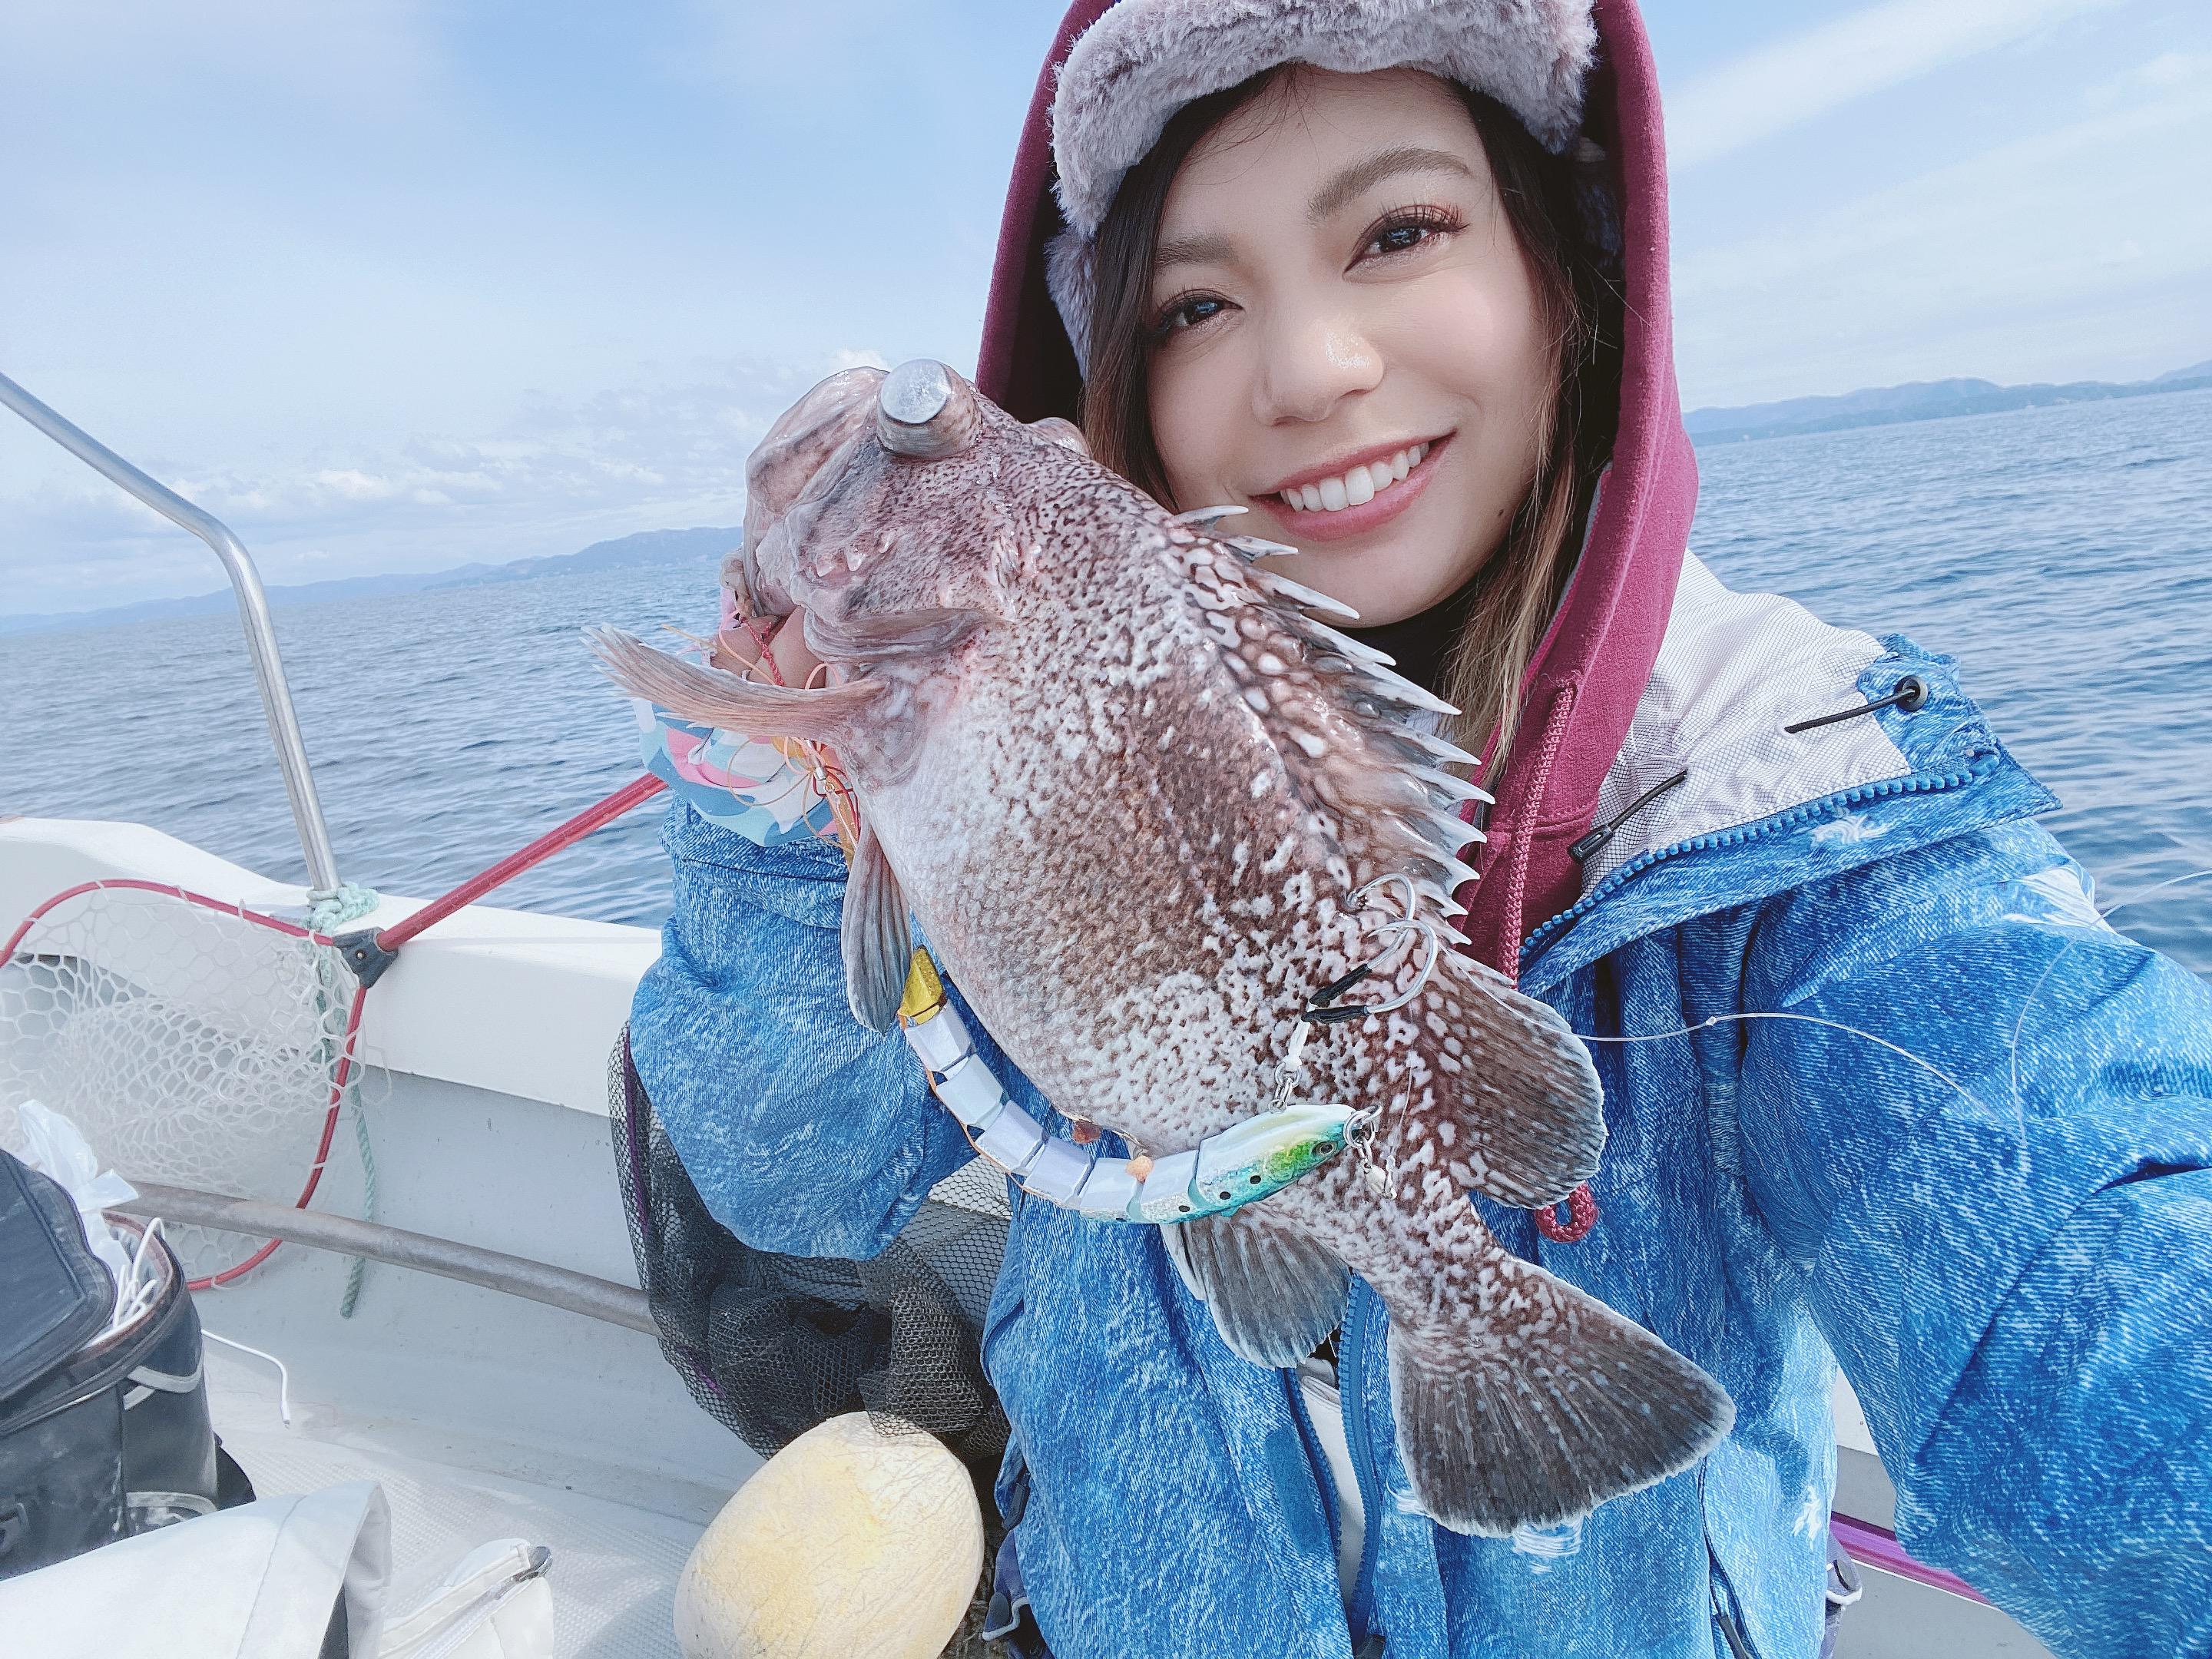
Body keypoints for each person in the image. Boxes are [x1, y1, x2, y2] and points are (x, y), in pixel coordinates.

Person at [628, 2, 2212, 1655]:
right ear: (1116, 394)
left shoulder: (1817, 820)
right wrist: (777, 820)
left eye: (1398, 231)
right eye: (1194, 302)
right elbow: (789, 1176)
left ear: (1573, 277)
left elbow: (2100, 1268)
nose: (1313, 367)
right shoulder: (973, 728)